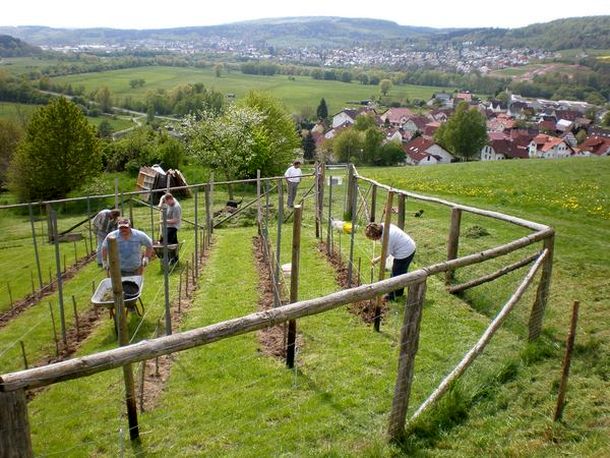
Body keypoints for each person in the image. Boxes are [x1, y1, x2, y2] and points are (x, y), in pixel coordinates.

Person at [365, 222, 416, 302]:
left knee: (397, 274)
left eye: (374, 239)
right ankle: (398, 292)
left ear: (378, 235)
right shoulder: (383, 225)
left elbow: (386, 254)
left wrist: (375, 260)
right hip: (408, 245)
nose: (374, 240)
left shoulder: (387, 238)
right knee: (399, 272)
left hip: (405, 252)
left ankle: (393, 295)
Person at [158, 193, 182, 263]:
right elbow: (162, 196)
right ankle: (175, 260)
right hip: (168, 226)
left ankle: (166, 259)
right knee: (173, 243)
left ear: (170, 199)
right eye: (165, 202)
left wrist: (164, 221)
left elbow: (175, 220)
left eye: (167, 202)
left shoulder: (176, 207)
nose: (166, 204)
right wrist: (160, 204)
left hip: (174, 226)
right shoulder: (170, 199)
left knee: (165, 241)